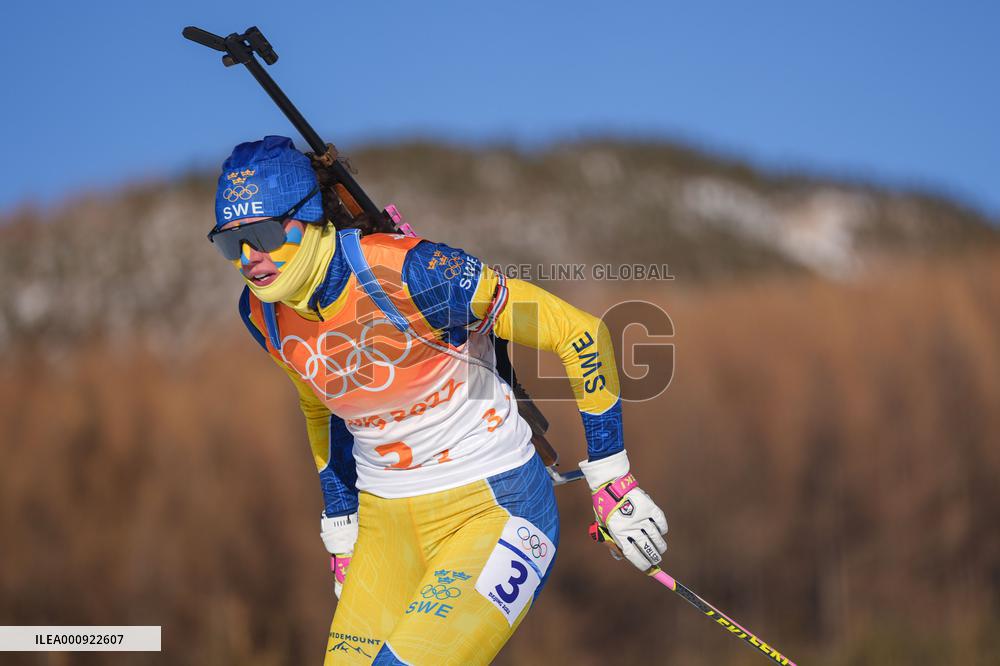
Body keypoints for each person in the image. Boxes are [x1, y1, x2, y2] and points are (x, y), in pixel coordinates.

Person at [209, 136, 669, 665]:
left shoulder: (413, 273)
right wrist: (341, 526)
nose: (249, 258)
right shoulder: (261, 313)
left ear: (310, 216)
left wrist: (613, 478)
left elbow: (579, 334)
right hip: (387, 527)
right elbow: (321, 406)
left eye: (264, 234)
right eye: (230, 242)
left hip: (494, 508)